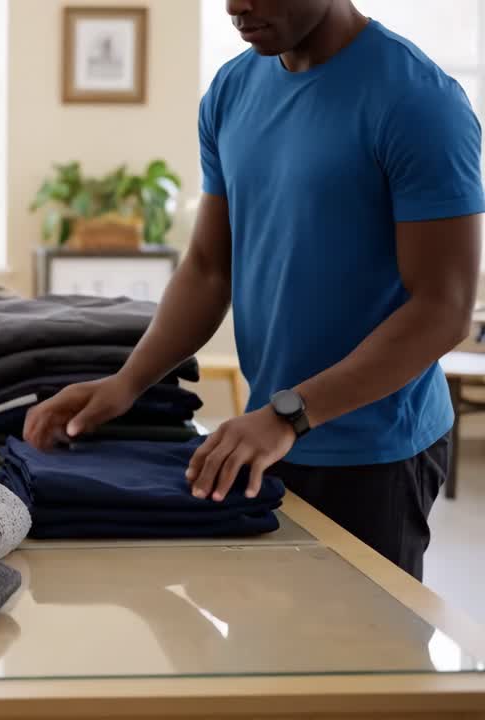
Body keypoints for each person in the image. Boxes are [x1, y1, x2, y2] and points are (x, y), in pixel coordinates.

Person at [24, 0, 483, 581]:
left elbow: (442, 311)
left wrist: (289, 414)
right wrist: (128, 382)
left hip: (374, 453)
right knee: (267, 648)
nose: (237, 6)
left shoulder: (419, 102)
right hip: (268, 436)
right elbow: (209, 269)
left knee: (362, 661)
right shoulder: (231, 89)